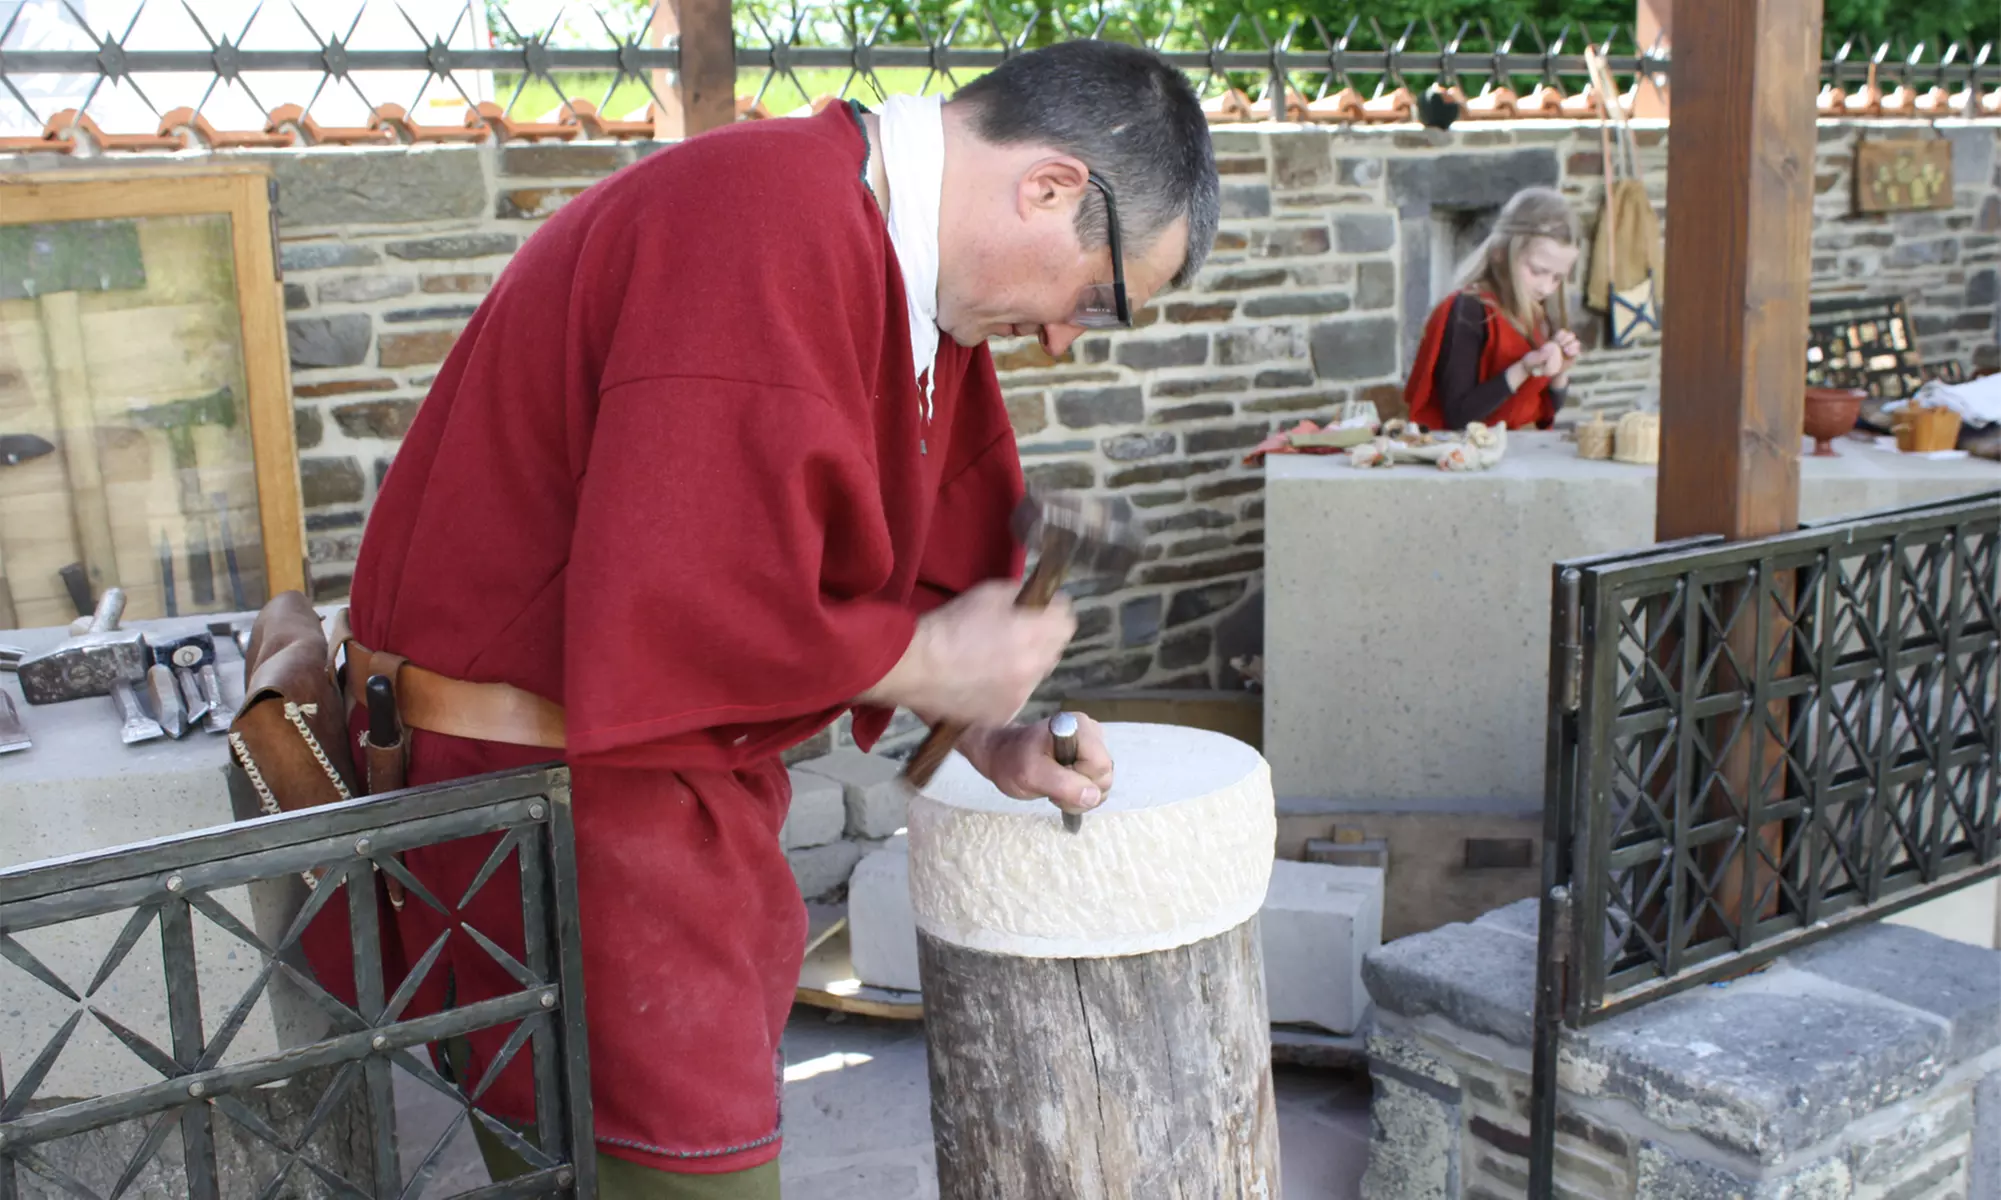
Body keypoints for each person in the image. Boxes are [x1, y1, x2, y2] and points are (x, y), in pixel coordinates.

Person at [334, 40, 1220, 1198]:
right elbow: (690, 597)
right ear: (1050, 187)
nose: (1064, 336)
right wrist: (921, 660)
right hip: (551, 806)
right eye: (1096, 298)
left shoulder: (905, 282)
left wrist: (986, 730)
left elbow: (885, 580)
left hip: (649, 795)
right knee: (674, 1174)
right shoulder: (761, 219)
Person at [1403, 187, 1585, 431]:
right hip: (1468, 455)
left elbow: (1545, 408)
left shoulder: (1538, 312)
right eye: (1537, 271)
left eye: (1558, 278)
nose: (1546, 288)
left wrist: (1560, 373)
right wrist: (1523, 368)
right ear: (1500, 253)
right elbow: (1457, 415)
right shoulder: (1468, 310)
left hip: (1521, 452)